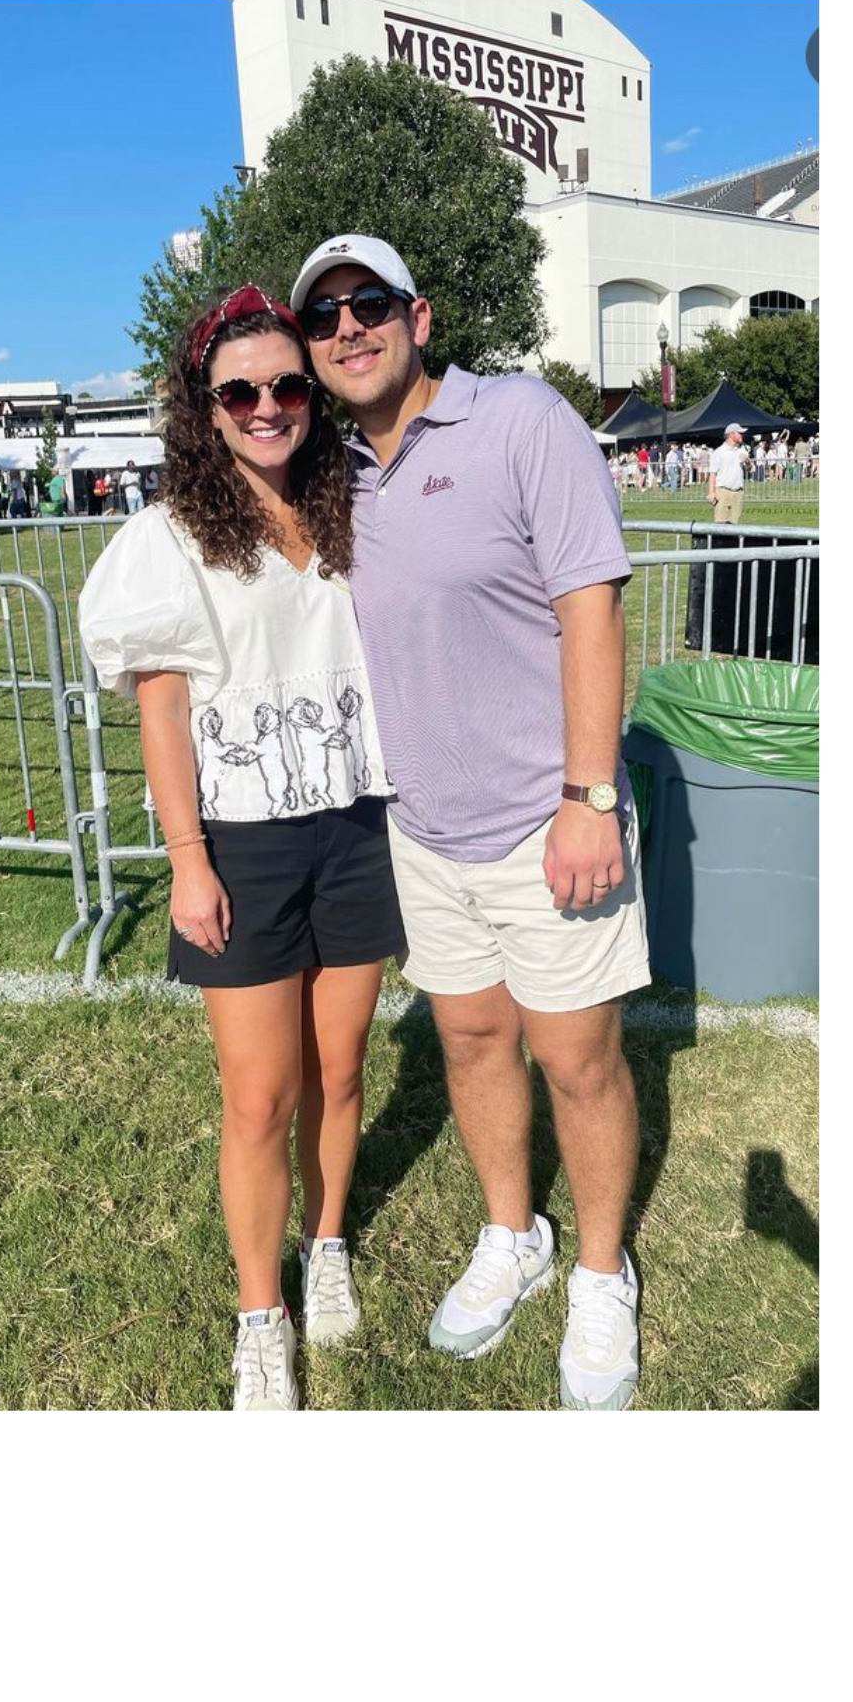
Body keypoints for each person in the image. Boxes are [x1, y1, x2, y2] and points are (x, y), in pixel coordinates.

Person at [289, 233, 653, 1412]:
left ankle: (603, 1267)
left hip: (549, 822)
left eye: (370, 303)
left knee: (577, 1060)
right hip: (425, 833)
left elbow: (590, 606)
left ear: (420, 315)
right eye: (324, 314)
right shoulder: (338, 475)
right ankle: (515, 1232)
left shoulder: (520, 421)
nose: (348, 326)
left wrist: (589, 796)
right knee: (473, 1045)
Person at [79, 284, 405, 1413]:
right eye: (241, 390)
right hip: (245, 843)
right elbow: (161, 708)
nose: (267, 405)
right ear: (204, 407)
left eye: (285, 385)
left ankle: (327, 1246)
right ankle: (260, 1312)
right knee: (260, 1094)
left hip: (357, 821)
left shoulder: (353, 502)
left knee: (345, 1068)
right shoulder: (165, 536)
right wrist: (189, 859)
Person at [708, 422, 747, 523]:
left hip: (738, 492)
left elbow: (751, 469)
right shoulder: (719, 452)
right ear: (731, 434)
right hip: (723, 492)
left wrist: (748, 462)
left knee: (734, 525)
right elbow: (712, 474)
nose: (742, 435)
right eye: (739, 433)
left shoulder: (741, 450)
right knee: (721, 524)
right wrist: (712, 492)